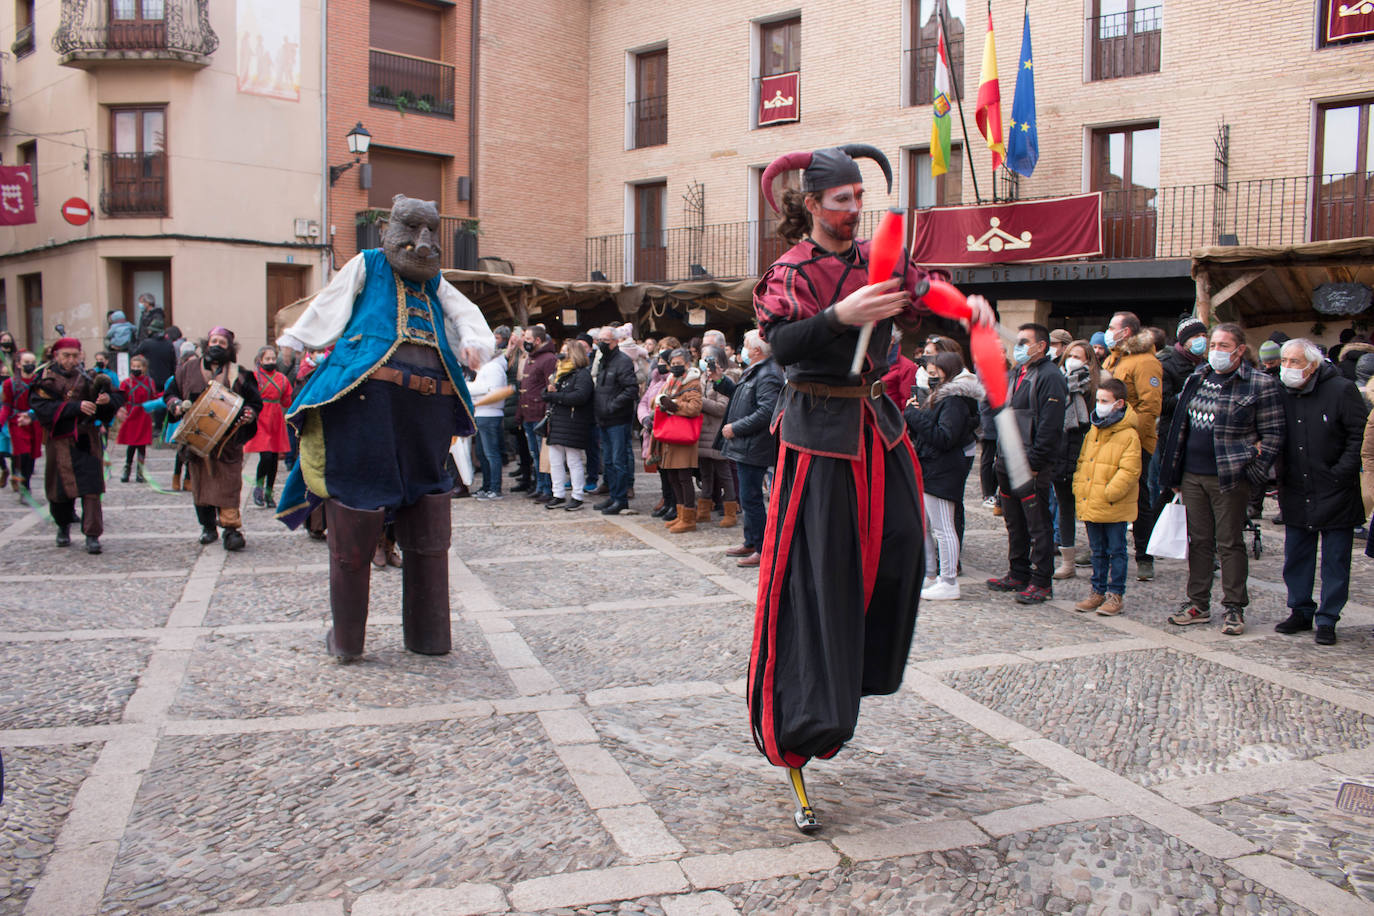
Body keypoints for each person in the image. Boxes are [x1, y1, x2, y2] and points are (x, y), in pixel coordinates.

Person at [746, 143, 992, 833]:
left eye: (860, 198)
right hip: (818, 433)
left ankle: (858, 675)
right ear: (812, 205)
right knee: (820, 576)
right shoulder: (791, 269)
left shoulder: (876, 259)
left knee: (903, 550)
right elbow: (786, 345)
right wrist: (840, 318)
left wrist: (960, 305)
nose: (855, 211)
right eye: (842, 200)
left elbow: (924, 290)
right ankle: (804, 712)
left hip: (876, 427)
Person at [275, 194, 493, 660]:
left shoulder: (435, 279)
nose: (423, 241)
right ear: (388, 230)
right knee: (356, 501)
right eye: (413, 229)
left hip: (429, 408)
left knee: (428, 502)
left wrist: (476, 345)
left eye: (431, 231)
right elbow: (329, 304)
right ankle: (348, 641)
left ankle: (429, 636)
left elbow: (465, 314)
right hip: (366, 402)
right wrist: (295, 339)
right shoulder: (368, 263)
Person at [1157, 323, 1283, 636]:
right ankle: (1198, 603)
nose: (1216, 350)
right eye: (1214, 344)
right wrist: (1174, 473)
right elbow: (1180, 428)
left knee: (1229, 542)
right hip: (1192, 475)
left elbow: (1273, 435)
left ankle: (1234, 607)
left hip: (1229, 477)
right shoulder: (1197, 378)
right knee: (1198, 541)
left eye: (1224, 345)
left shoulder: (1259, 384)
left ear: (1240, 349)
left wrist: (1252, 471)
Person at [1273, 339, 1369, 645]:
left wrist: (1341, 471)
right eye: (1284, 361)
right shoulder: (1282, 392)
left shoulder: (1341, 389)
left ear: (1313, 365)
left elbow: (1358, 436)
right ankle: (1300, 609)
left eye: (1294, 362)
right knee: (1297, 554)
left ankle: (1328, 617)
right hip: (1297, 485)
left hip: (1335, 488)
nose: (1286, 367)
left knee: (1335, 559)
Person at [987, 323, 1068, 604]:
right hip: (1006, 460)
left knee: (1038, 524)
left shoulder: (1051, 376)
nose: (1018, 346)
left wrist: (1034, 462)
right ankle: (1017, 572)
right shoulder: (1015, 373)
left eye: (1024, 342)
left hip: (1030, 464)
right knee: (1014, 521)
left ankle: (1041, 581)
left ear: (1041, 346)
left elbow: (1050, 426)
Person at [165, 328, 261, 550]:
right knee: (201, 485)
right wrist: (175, 405)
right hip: (196, 440)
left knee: (229, 484)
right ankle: (208, 527)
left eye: (222, 342)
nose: (217, 345)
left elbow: (255, 403)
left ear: (229, 348)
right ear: (206, 344)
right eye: (213, 341)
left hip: (227, 443)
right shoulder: (186, 370)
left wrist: (249, 414)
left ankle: (231, 529)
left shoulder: (240, 373)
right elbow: (170, 394)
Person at [30, 338, 124, 553]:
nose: (71, 360)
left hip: (87, 439)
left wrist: (106, 400)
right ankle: (62, 526)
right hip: (60, 440)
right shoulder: (45, 380)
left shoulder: (89, 377)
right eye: (66, 356)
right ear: (56, 356)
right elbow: (42, 408)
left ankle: (92, 535)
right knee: (59, 489)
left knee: (92, 488)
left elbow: (116, 400)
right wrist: (76, 407)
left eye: (75, 355)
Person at [904, 351, 983, 600]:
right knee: (928, 525)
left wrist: (914, 416)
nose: (929, 376)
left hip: (942, 468)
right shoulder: (943, 397)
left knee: (943, 527)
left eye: (932, 372)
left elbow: (944, 437)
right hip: (933, 465)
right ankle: (932, 575)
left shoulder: (955, 401)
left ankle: (948, 580)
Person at [1102, 311, 1163, 581]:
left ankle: (1143, 554)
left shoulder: (1145, 361)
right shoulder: (1113, 359)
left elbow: (1150, 406)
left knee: (1140, 498)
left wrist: (1132, 437)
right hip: (1106, 440)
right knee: (1106, 494)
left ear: (1126, 332)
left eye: (1112, 327)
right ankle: (1103, 549)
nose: (1108, 331)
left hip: (1133, 441)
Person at [1072, 378, 1141, 617]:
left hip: (1113, 502)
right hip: (1092, 499)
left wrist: (1109, 492)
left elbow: (1129, 470)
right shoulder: (1095, 428)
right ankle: (1097, 591)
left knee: (1116, 550)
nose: (1099, 405)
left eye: (1105, 401)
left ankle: (1115, 594)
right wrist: (1080, 486)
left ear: (1119, 403)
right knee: (1097, 550)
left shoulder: (1129, 434)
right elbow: (1084, 460)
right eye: (1098, 400)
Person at [720, 329, 784, 567]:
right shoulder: (757, 370)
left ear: (756, 350)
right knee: (748, 497)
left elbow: (767, 411)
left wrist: (736, 428)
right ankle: (751, 541)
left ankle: (761, 547)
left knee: (751, 498)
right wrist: (720, 382)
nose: (743, 349)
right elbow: (741, 396)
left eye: (745, 345)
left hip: (754, 446)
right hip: (747, 445)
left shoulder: (768, 373)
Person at [1053, 339, 1097, 578]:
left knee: (1090, 508)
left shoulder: (1096, 386)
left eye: (1078, 356)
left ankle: (1097, 555)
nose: (1072, 360)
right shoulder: (1057, 383)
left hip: (1087, 454)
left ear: (1088, 361)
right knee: (1065, 507)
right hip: (1062, 452)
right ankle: (1068, 562)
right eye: (1070, 355)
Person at [651, 348, 703, 532]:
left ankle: (689, 517)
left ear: (687, 364)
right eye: (672, 364)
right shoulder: (670, 381)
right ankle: (681, 514)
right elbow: (657, 401)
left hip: (683, 436)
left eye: (679, 364)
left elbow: (695, 407)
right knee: (672, 476)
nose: (675, 367)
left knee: (683, 477)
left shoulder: (693, 382)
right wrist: (660, 402)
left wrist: (674, 405)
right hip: (669, 436)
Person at [542, 340, 595, 510]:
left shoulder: (582, 374)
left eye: (566, 351)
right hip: (558, 421)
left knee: (573, 460)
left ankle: (577, 495)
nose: (562, 354)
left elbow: (580, 397)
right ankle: (557, 493)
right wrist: (548, 393)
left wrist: (555, 396)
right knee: (555, 460)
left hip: (573, 422)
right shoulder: (559, 372)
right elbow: (550, 391)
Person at [592, 325, 639, 515]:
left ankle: (620, 499)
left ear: (616, 341)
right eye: (600, 340)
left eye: (606, 341)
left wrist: (612, 405)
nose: (602, 344)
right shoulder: (604, 360)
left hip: (618, 418)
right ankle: (612, 495)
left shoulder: (623, 361)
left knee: (619, 460)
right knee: (609, 461)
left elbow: (631, 389)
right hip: (604, 418)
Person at [244, 346, 293, 508]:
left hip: (276, 418)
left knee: (273, 459)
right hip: (261, 417)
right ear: (260, 361)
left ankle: (269, 493)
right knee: (265, 456)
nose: (271, 362)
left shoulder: (282, 379)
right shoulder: (255, 378)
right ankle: (258, 487)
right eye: (267, 359)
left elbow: (287, 400)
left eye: (273, 359)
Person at [638, 338, 681, 523]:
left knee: (671, 470)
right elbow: (644, 401)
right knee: (662, 470)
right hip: (652, 428)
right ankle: (667, 500)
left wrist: (654, 418)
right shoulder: (655, 379)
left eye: (665, 362)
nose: (661, 365)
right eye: (661, 362)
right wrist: (645, 418)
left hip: (665, 429)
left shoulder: (673, 381)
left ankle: (674, 503)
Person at [696, 346, 737, 527]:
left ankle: (730, 510)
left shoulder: (723, 380)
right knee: (705, 474)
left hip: (716, 433)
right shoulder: (701, 379)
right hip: (702, 434)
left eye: (709, 359)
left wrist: (699, 401)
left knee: (724, 474)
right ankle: (703, 509)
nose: (705, 362)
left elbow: (722, 407)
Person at [518, 326, 558, 503]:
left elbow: (550, 387)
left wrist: (547, 414)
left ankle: (547, 488)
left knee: (544, 455)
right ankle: (540, 485)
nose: (524, 341)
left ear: (537, 341)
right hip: (528, 413)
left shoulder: (548, 359)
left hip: (540, 413)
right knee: (534, 453)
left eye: (527, 338)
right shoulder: (530, 358)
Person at [468, 347, 510, 500]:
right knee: (482, 453)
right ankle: (487, 486)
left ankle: (494, 487)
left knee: (491, 453)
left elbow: (494, 392)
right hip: (483, 414)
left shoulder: (493, 368)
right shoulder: (487, 367)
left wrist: (471, 389)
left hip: (490, 414)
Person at [1, 351, 42, 495]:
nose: (30, 366)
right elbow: (6, 405)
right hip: (17, 422)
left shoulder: (40, 382)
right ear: (18, 365)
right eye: (26, 363)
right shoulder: (9, 384)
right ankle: (24, 485)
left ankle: (26, 480)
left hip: (35, 422)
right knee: (23, 453)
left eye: (32, 362)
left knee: (31, 456)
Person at [116, 354, 156, 483]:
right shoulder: (126, 382)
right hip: (132, 414)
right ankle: (127, 469)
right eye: (133, 366)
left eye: (138, 366)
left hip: (144, 415)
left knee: (142, 445)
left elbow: (154, 397)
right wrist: (120, 409)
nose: (135, 368)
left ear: (144, 368)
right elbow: (120, 398)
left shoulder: (149, 381)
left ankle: (140, 471)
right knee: (132, 444)